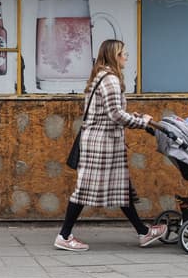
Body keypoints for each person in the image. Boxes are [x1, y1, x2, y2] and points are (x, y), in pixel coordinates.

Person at [54, 39, 166, 252]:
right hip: (101, 144)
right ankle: (64, 235)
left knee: (121, 187)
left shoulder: (101, 77)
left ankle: (143, 232)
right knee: (84, 190)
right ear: (115, 55)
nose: (127, 57)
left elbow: (110, 111)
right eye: (124, 53)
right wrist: (142, 123)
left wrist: (133, 116)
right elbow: (115, 114)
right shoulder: (110, 80)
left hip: (101, 141)